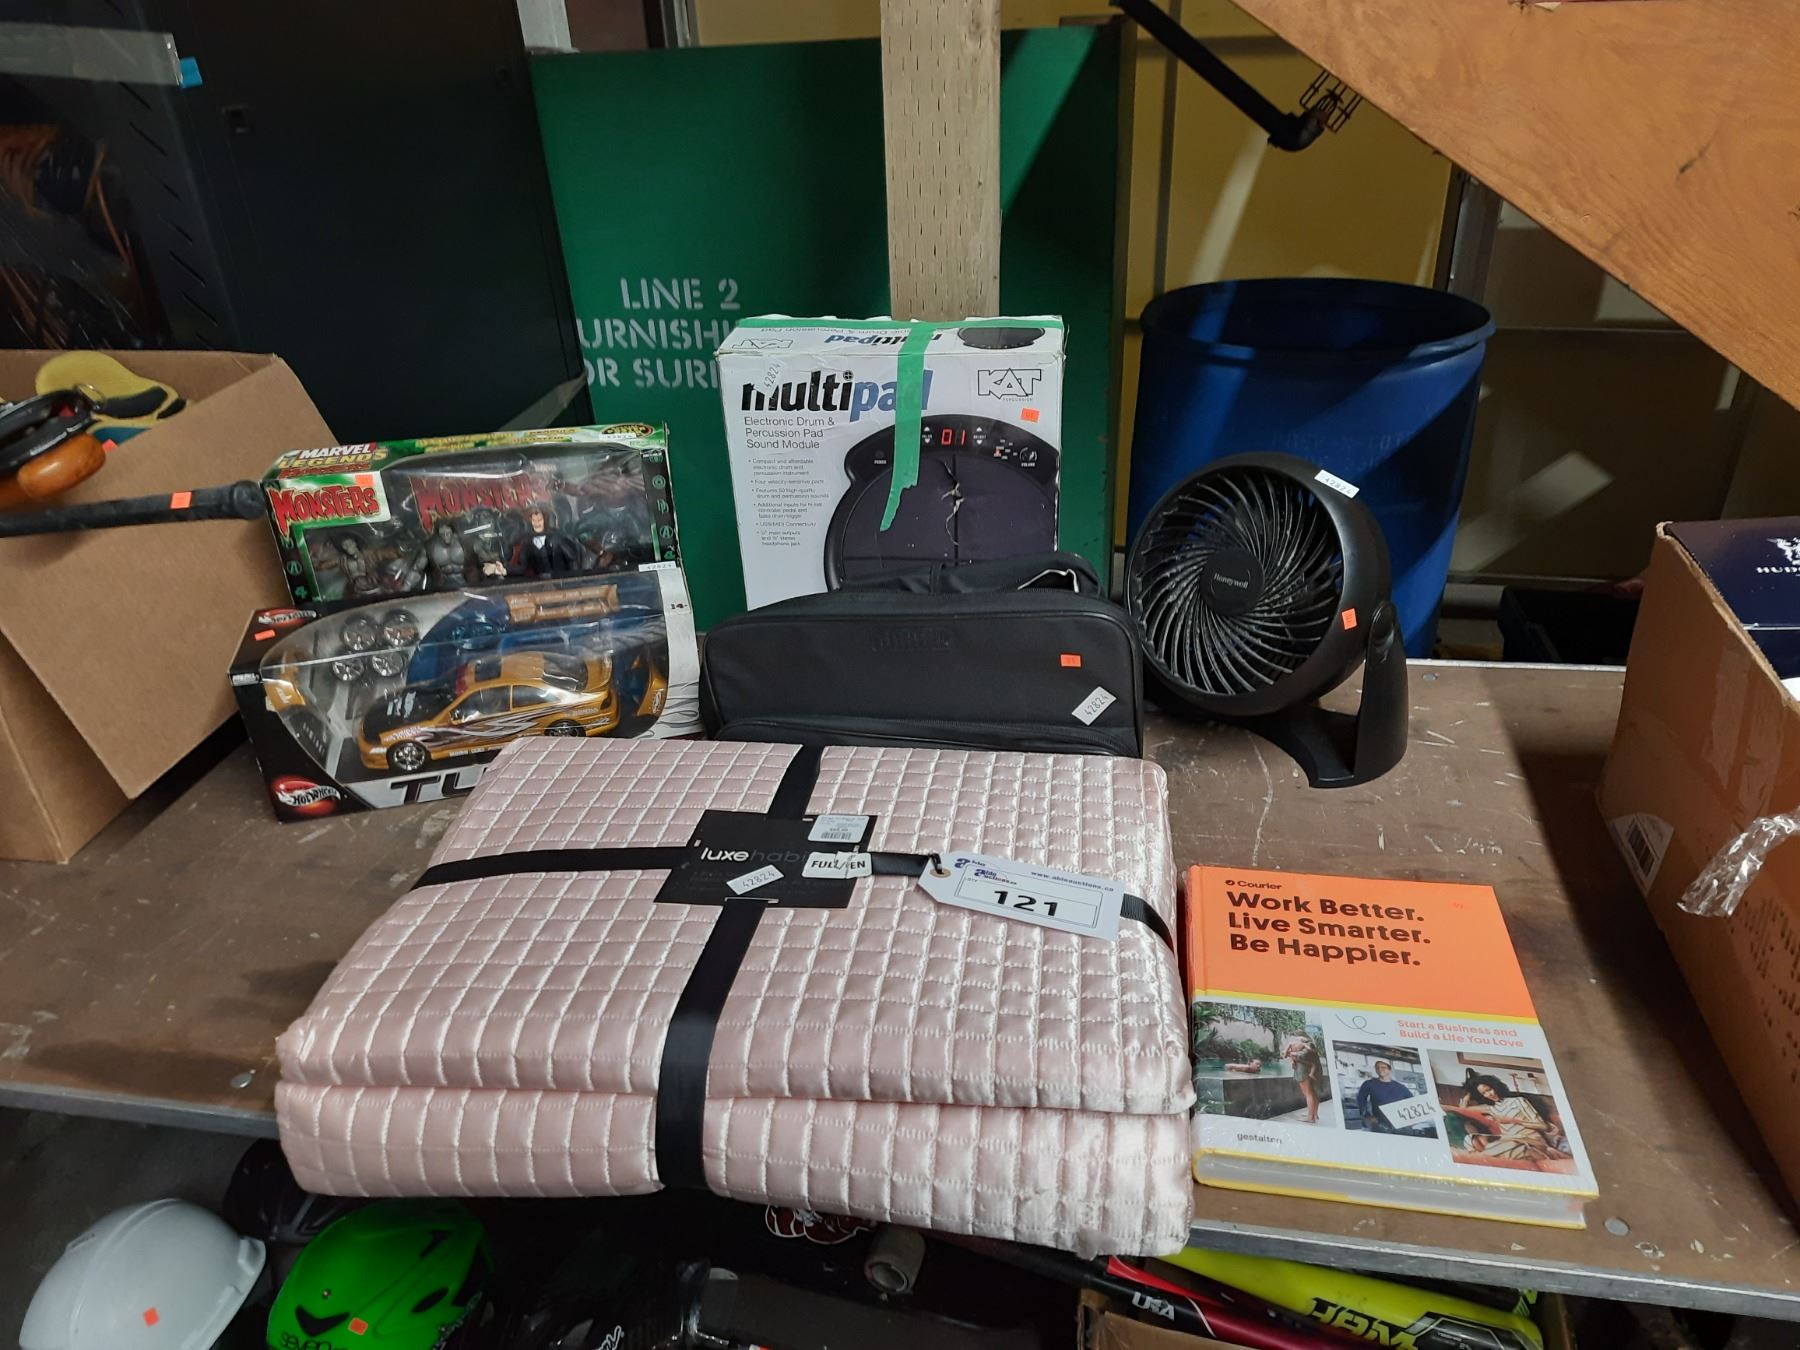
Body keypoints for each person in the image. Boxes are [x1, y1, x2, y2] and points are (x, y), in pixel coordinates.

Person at [1445, 1073, 1566, 1162]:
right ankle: (1494, 1153)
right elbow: (1463, 1109)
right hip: (1509, 1139)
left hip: (1532, 1139)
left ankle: (1538, 1153)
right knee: (1469, 1139)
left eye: (1489, 1089)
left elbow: (1543, 1126)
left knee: (1508, 1144)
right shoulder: (1490, 1108)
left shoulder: (1518, 1101)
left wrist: (1513, 1121)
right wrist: (1468, 1094)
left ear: (1495, 1086)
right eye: (1484, 1093)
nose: (1490, 1094)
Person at [512, 507, 582, 577]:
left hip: (561, 579)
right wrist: (507, 570)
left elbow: (573, 557)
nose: (536, 523)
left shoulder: (557, 537)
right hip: (539, 581)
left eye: (539, 520)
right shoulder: (527, 541)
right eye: (534, 520)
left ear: (545, 521)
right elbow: (522, 567)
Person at [1354, 1059, 1418, 1133]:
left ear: (1389, 1070)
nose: (1380, 1069)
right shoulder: (1369, 1084)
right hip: (1381, 1124)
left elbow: (1413, 1102)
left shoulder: (1400, 1087)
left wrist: (1413, 1119)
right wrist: (1367, 1115)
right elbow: (1361, 1099)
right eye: (1377, 1067)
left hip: (1401, 1124)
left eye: (1383, 1067)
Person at [1282, 1033, 1324, 1124]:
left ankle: (1310, 1117)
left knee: (1308, 1094)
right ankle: (1314, 1114)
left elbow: (1299, 1055)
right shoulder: (1310, 1044)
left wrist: (1290, 1054)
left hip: (1303, 1070)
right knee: (1313, 1093)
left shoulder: (1304, 1044)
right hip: (1312, 1070)